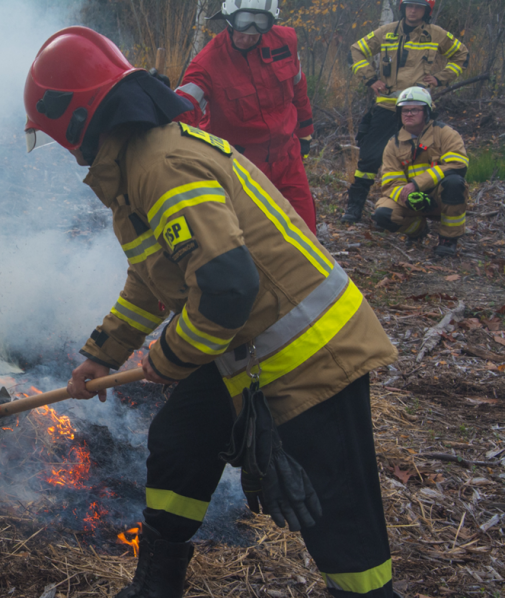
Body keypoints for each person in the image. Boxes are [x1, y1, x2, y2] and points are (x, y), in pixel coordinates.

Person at [24, 26, 400, 598]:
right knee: (179, 443)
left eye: (56, 137)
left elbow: (227, 287)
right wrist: (102, 354)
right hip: (243, 351)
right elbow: (153, 284)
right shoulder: (136, 172)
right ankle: (156, 584)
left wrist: (170, 357)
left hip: (315, 356)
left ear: (76, 121)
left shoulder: (162, 166)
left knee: (338, 517)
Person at [174, 0, 317, 233]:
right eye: (243, 29)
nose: (249, 37)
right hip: (242, 168)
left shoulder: (286, 41)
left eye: (258, 29)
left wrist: (304, 134)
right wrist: (157, 105)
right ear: (229, 20)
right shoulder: (207, 64)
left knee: (306, 233)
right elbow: (182, 111)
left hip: (287, 158)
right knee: (253, 241)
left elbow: (298, 88)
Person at [342, 0, 468, 223]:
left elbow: (462, 55)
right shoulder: (387, 32)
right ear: (402, 8)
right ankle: (354, 208)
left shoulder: (436, 34)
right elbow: (355, 51)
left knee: (424, 158)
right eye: (409, 5)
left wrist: (440, 78)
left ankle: (430, 207)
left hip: (419, 110)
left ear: (426, 10)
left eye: (418, 7)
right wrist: (371, 78)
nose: (413, 11)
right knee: (369, 160)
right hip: (386, 108)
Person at [372, 87, 468, 257]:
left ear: (426, 112)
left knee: (454, 182)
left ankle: (448, 239)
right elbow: (390, 183)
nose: (409, 114)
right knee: (383, 214)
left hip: (441, 196)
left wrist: (416, 185)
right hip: (411, 199)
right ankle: (417, 230)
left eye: (415, 109)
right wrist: (409, 198)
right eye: (405, 110)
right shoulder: (393, 144)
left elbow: (458, 164)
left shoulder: (445, 134)